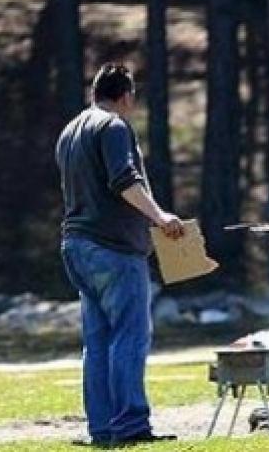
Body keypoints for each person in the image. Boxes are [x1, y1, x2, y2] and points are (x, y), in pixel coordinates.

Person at [55, 63, 184, 446]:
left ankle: (103, 429)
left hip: (76, 245)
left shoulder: (69, 131)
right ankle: (131, 426)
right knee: (130, 336)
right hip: (113, 248)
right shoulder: (112, 127)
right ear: (126, 95)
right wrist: (160, 217)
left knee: (97, 342)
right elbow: (123, 180)